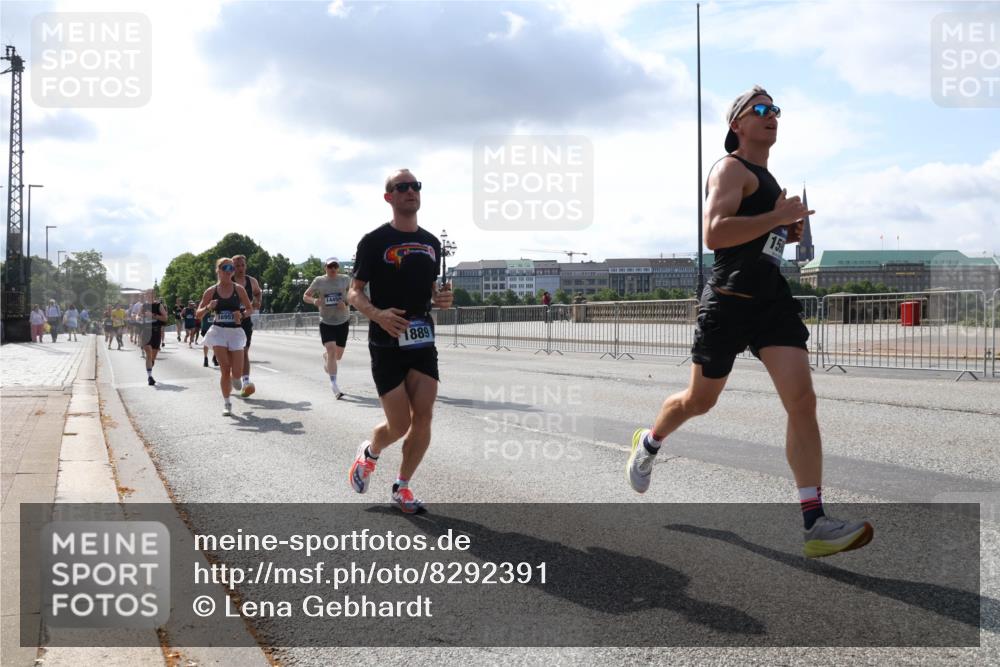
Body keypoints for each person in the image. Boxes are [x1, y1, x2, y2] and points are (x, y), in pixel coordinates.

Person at [626, 86, 872, 559]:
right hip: (729, 299)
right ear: (736, 123)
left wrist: (784, 228)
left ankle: (814, 521)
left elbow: (757, 234)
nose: (771, 115)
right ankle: (650, 441)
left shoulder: (766, 175)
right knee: (700, 400)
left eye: (775, 109)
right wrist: (776, 216)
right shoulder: (729, 169)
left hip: (770, 300)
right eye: (759, 109)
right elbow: (714, 233)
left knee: (802, 399)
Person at [347, 169, 453, 514]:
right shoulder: (374, 241)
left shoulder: (432, 243)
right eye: (402, 187)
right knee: (400, 424)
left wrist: (442, 300)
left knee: (423, 417)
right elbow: (354, 292)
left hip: (422, 339)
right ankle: (370, 453)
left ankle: (402, 486)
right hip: (386, 341)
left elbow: (432, 292)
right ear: (389, 197)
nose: (410, 191)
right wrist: (377, 315)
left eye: (415, 186)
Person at [196, 257, 253, 415]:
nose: (229, 271)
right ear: (218, 271)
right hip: (219, 331)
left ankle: (237, 379)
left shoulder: (239, 289)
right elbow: (198, 314)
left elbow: (250, 309)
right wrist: (208, 307)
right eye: (225, 268)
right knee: (225, 369)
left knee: (236, 373)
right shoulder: (211, 291)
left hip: (235, 332)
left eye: (231, 269)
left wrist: (241, 314)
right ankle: (227, 404)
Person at [303, 257, 351, 398]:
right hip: (326, 322)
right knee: (331, 351)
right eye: (330, 266)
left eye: (335, 266)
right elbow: (305, 295)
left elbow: (355, 294)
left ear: (338, 268)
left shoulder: (345, 279)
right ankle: (334, 385)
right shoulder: (319, 281)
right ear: (325, 267)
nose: (333, 269)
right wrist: (315, 301)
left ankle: (327, 359)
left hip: (343, 320)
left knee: (338, 356)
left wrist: (346, 303)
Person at [232, 255, 262, 398]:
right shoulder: (227, 281)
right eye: (237, 266)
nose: (240, 268)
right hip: (229, 323)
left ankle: (245, 383)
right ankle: (233, 375)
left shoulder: (252, 281)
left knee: (244, 351)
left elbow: (258, 292)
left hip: (245, 321)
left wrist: (257, 301)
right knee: (232, 354)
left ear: (246, 266)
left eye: (242, 265)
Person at [140, 297, 168, 385]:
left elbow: (165, 318)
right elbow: (138, 315)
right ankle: (150, 377)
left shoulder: (159, 306)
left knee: (152, 357)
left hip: (156, 332)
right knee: (148, 353)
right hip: (146, 332)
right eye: (147, 294)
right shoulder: (144, 305)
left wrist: (152, 315)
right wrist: (137, 317)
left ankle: (149, 368)